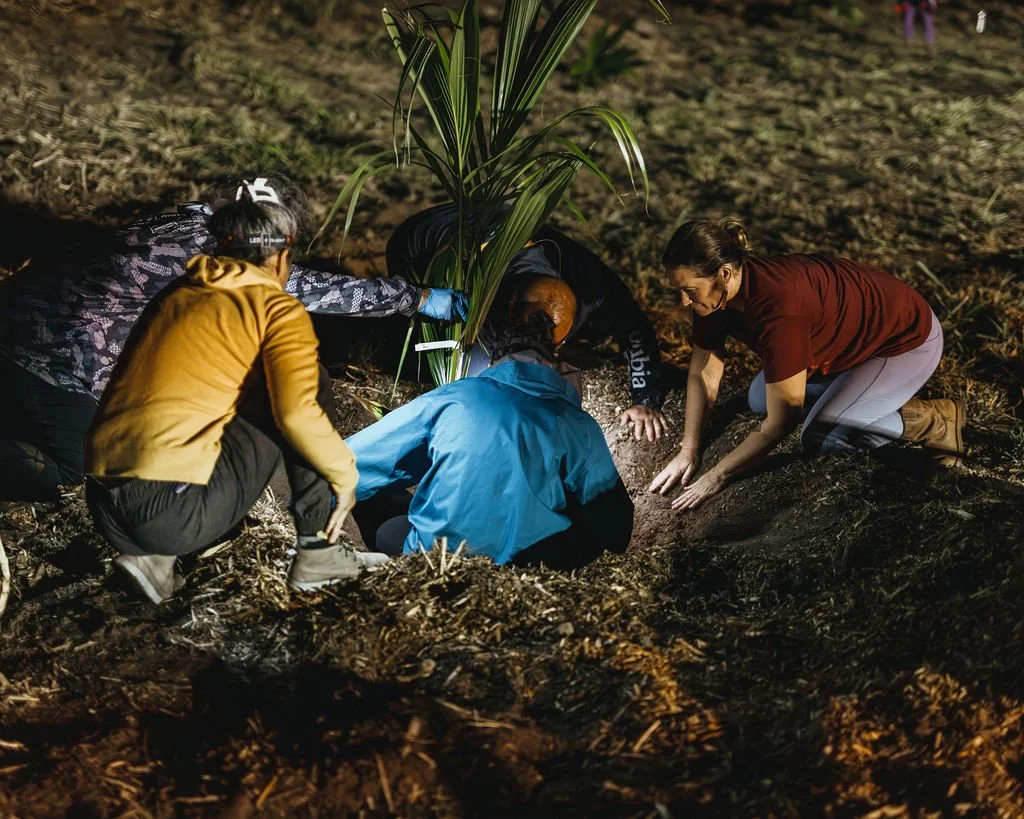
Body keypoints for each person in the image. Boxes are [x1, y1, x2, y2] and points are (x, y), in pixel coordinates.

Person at [0, 174, 467, 501]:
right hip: (50, 361)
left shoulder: (189, 226)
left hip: (26, 330)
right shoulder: (212, 250)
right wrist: (418, 298)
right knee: (77, 474)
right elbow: (314, 290)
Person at [84, 188, 388, 604]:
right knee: (305, 383)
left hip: (104, 504)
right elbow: (297, 414)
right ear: (282, 258)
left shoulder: (180, 294)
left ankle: (155, 560)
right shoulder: (275, 308)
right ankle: (319, 553)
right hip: (169, 513)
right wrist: (344, 475)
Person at [649, 219, 965, 511]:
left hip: (903, 340)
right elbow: (704, 371)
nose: (684, 302)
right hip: (846, 345)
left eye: (689, 291)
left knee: (821, 436)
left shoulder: (779, 308)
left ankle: (933, 421)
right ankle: (852, 394)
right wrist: (688, 449)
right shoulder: (712, 298)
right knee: (759, 398)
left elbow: (781, 423)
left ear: (725, 274)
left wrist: (717, 475)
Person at [345, 282, 634, 569]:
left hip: (438, 562)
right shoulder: (579, 425)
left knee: (377, 493)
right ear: (559, 346)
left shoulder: (454, 398)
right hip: (531, 570)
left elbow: (348, 464)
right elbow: (615, 529)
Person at [386, 203, 668, 442]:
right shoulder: (479, 290)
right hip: (420, 240)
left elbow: (635, 329)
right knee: (461, 367)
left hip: (507, 234)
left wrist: (644, 399)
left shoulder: (594, 286)